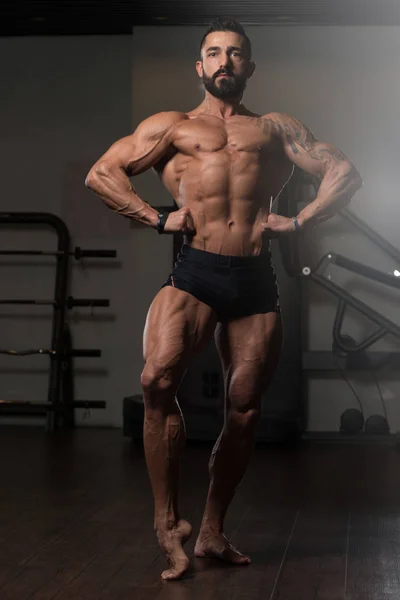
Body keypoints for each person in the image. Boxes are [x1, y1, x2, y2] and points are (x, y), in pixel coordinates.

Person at [85, 17, 362, 580]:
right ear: (200, 66)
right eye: (214, 53)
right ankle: (167, 522)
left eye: (235, 54)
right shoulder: (173, 127)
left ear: (249, 66)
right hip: (196, 268)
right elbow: (102, 173)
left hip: (255, 277)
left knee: (245, 407)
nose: (224, 62)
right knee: (156, 380)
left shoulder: (276, 129)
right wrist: (157, 217)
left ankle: (211, 527)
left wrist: (303, 218)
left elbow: (343, 171)